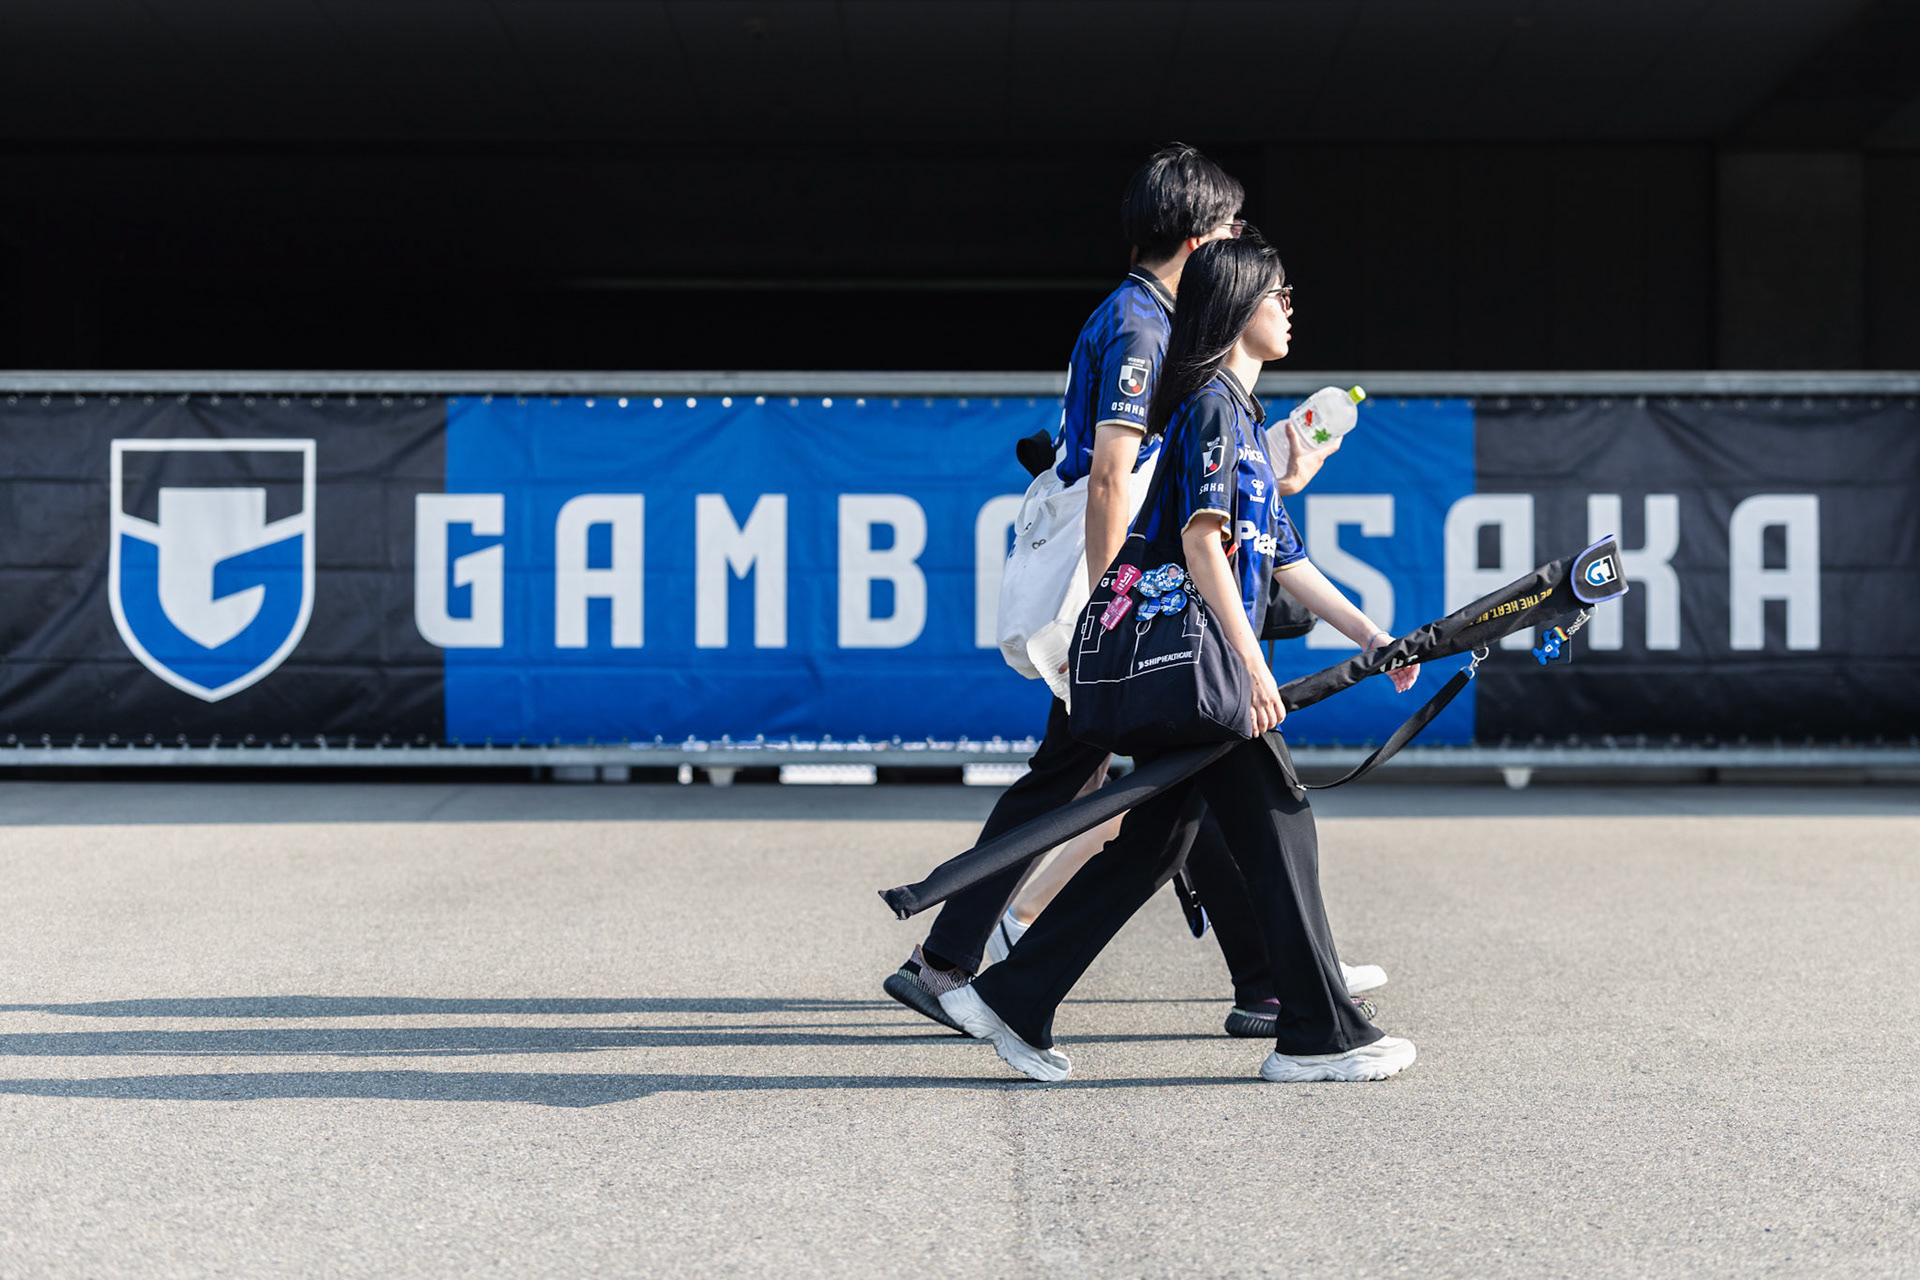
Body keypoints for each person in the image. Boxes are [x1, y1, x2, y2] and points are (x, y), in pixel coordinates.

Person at [882, 146, 1362, 1038]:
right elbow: (1111, 476)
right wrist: (1114, 609)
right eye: (1228, 227)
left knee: (1176, 768)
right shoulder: (1145, 326)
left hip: (1121, 581)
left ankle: (1273, 978)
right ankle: (949, 960)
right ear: (1194, 235)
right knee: (1090, 771)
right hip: (1109, 584)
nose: (1239, 243)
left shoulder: (1143, 314)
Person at [938, 230, 1422, 1084]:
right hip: (1200, 669)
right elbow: (1204, 545)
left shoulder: (1241, 417)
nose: (1289, 307)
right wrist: (1255, 664)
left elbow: (1284, 556)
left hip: (1203, 668)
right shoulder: (1208, 408)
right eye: (1277, 294)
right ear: (1238, 311)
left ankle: (1015, 997)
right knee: (1278, 822)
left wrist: (1371, 638)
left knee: (1159, 844)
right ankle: (1316, 1032)